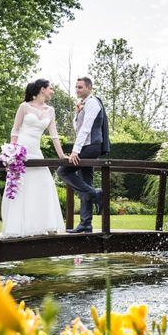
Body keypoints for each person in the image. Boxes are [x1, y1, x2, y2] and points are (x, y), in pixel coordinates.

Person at [1, 79, 67, 237]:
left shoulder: (50, 111)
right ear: (42, 89)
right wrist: (11, 152)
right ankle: (17, 228)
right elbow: (15, 130)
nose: (52, 91)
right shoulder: (24, 106)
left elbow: (54, 135)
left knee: (44, 183)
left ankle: (45, 224)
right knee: (20, 187)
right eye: (50, 88)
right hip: (21, 151)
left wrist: (62, 155)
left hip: (36, 151)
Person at [57, 76, 110, 233]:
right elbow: (78, 128)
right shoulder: (84, 104)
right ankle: (86, 223)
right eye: (76, 87)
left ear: (89, 88)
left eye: (80, 87)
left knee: (63, 171)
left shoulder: (93, 103)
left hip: (91, 146)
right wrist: (77, 113)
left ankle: (96, 193)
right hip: (88, 145)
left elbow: (86, 129)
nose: (77, 90)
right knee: (85, 180)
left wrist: (75, 150)